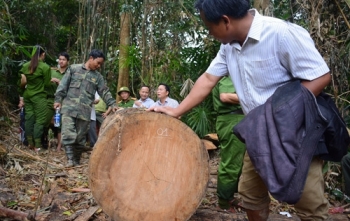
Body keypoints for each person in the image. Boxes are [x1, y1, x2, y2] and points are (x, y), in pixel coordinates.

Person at [149, 0, 331, 220]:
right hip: (257, 135)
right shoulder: (228, 47)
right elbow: (208, 79)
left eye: (209, 28)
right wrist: (176, 112)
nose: (209, 33)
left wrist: (277, 113)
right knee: (251, 196)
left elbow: (320, 76)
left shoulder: (281, 34)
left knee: (308, 201)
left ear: (225, 21)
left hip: (295, 134)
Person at [54, 49, 118, 167]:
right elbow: (63, 85)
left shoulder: (98, 77)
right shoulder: (74, 69)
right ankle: (69, 160)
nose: (99, 66)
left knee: (80, 138)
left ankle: (77, 159)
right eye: (97, 63)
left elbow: (104, 91)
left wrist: (112, 104)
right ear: (91, 58)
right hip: (69, 108)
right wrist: (58, 100)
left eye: (100, 64)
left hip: (85, 111)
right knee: (68, 134)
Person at [212, 76, 245, 212]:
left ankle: (230, 196)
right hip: (232, 120)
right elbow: (225, 96)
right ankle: (223, 203)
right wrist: (253, 97)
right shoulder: (229, 77)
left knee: (239, 162)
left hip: (238, 119)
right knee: (231, 162)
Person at [17, 45, 51, 152]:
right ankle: (38, 145)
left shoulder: (26, 66)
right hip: (39, 96)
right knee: (40, 121)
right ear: (43, 54)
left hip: (28, 95)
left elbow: (21, 82)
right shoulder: (45, 67)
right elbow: (47, 84)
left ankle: (30, 143)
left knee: (29, 119)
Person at [42, 52, 70, 151]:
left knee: (59, 124)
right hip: (49, 100)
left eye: (63, 59)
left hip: (62, 102)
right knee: (45, 121)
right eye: (60, 59)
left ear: (67, 61)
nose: (61, 61)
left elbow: (70, 89)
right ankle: (44, 141)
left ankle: (59, 146)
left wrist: (59, 82)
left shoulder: (69, 73)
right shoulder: (51, 71)